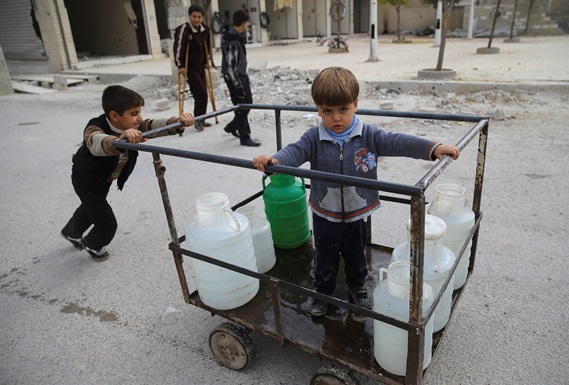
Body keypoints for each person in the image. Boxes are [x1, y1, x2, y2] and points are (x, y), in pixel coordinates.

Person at [253, 67, 460, 316]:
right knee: (325, 255)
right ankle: (322, 291)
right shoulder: (312, 138)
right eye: (327, 111)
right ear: (317, 109)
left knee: (356, 253)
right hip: (324, 212)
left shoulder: (369, 136)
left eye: (343, 110)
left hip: (356, 211)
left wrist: (433, 147)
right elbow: (293, 152)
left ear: (356, 105)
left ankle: (358, 287)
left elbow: (399, 141)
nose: (336, 118)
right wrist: (274, 161)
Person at [61, 85, 195, 261]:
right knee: (106, 223)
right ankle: (93, 243)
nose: (139, 118)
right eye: (134, 114)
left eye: (139, 112)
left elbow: (152, 125)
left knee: (91, 207)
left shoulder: (136, 126)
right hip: (86, 180)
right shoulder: (95, 127)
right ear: (114, 116)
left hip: (105, 179)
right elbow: (96, 142)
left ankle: (71, 232)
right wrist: (119, 141)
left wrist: (177, 123)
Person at [220, 10, 261, 147]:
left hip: (240, 76)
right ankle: (245, 136)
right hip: (235, 78)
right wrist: (238, 87)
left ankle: (232, 126)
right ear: (244, 24)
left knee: (247, 103)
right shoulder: (233, 41)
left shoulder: (236, 37)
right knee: (242, 106)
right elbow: (231, 67)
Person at [173, 4, 216, 131]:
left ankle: (201, 119)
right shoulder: (184, 29)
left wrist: (207, 59)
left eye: (199, 17)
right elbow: (178, 48)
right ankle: (198, 120)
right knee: (200, 93)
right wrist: (180, 65)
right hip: (189, 68)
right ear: (190, 16)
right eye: (194, 17)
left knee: (205, 94)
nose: (196, 20)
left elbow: (207, 46)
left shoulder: (205, 29)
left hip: (200, 66)